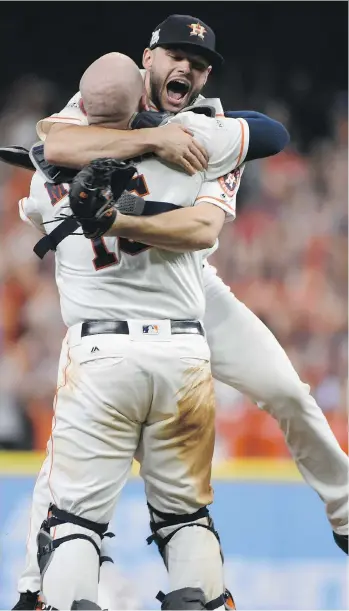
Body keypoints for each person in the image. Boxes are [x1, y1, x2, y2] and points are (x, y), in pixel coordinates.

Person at [37, 13, 349, 556]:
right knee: (64, 460)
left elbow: (268, 141)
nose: (188, 67)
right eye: (177, 55)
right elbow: (53, 141)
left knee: (287, 392)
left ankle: (345, 509)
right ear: (148, 58)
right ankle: (31, 584)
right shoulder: (107, 97)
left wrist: (130, 198)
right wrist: (153, 138)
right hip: (112, 298)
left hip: (190, 287)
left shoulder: (209, 129)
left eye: (200, 64)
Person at [15, 51, 260, 610]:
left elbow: (48, 171)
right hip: (183, 354)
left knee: (74, 524)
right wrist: (156, 138)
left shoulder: (44, 175)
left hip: (101, 354)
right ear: (142, 99)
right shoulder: (186, 155)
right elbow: (267, 134)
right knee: (185, 519)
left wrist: (66, 152)